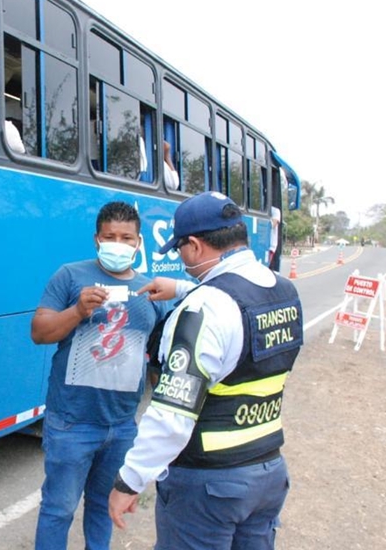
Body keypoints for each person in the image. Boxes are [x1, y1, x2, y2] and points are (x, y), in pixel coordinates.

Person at [108, 191, 304, 549]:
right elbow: (235, 300)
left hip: (208, 485)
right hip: (267, 473)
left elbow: (172, 416)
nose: (182, 259)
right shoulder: (283, 290)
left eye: (181, 249)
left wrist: (129, 481)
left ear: (195, 246)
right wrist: (182, 288)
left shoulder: (202, 309)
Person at [31, 201, 168, 550]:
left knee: (103, 506)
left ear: (138, 243)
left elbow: (159, 359)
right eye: (110, 237)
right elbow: (39, 332)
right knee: (58, 508)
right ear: (97, 239)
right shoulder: (70, 276)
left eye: (126, 238)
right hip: (71, 423)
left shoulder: (152, 292)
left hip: (122, 425)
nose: (117, 244)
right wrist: (77, 310)